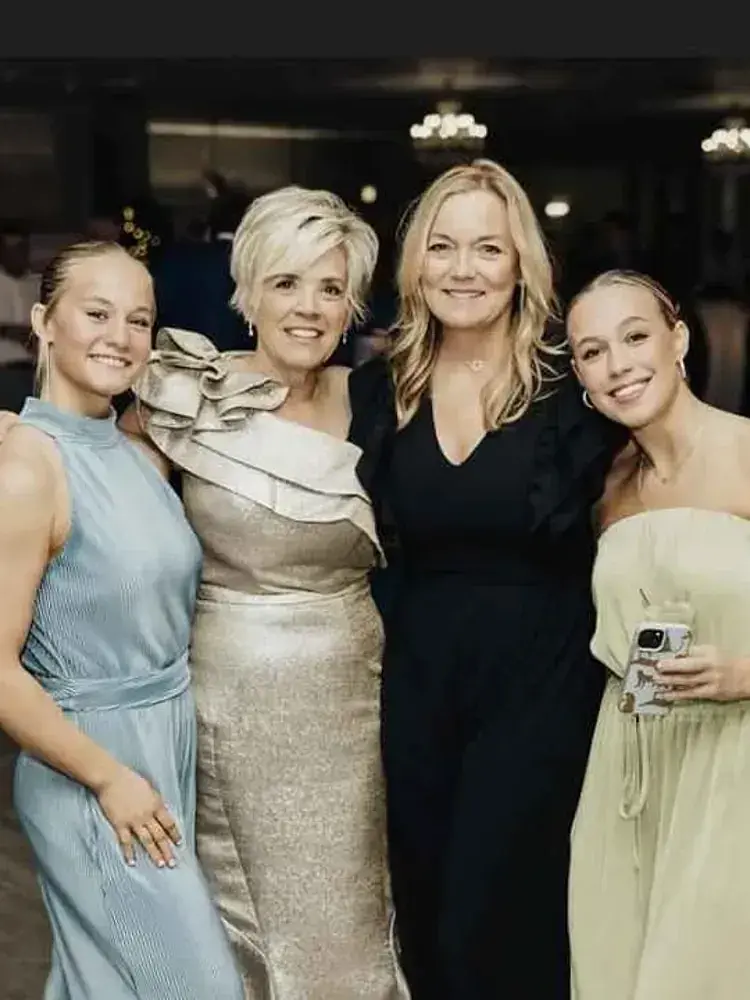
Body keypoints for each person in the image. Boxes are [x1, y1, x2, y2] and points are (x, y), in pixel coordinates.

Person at [119, 186, 408, 998]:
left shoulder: (380, 400)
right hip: (224, 694)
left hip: (354, 698)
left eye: (330, 288)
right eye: (287, 284)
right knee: (235, 916)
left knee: (347, 915)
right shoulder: (184, 394)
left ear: (353, 303)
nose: (309, 309)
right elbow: (104, 521)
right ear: (247, 291)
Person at [347, 159, 625, 999]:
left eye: (487, 249)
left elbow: (672, 469)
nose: (463, 269)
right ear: (415, 264)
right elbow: (262, 397)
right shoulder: (376, 388)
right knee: (428, 910)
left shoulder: (575, 386)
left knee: (503, 915)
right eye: (443, 246)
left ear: (521, 265)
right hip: (420, 687)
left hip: (541, 688)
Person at [0, 240, 244, 999]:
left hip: (162, 751)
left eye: (139, 320)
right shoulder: (25, 470)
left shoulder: (138, 450)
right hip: (91, 768)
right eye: (96, 313)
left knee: (104, 986)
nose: (120, 335)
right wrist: (109, 779)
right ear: (44, 321)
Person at [566, 270, 750, 1000]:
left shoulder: (745, 451)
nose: (619, 364)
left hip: (733, 764)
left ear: (677, 340)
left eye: (635, 336)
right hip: (628, 772)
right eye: (593, 350)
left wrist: (745, 674)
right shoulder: (608, 487)